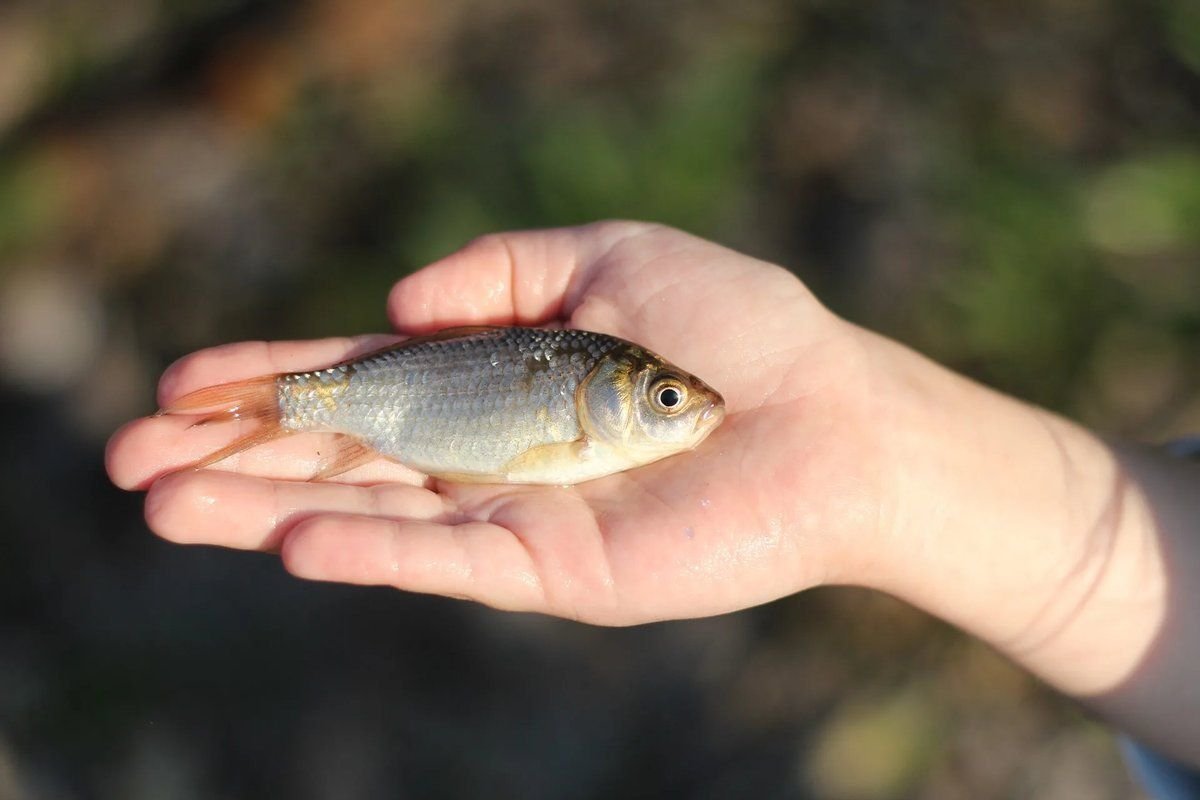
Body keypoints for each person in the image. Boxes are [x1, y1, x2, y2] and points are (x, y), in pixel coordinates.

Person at [106, 221, 1200, 777]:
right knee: (295, 413)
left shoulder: (596, 404)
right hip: (396, 404)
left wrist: (874, 459)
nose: (687, 408)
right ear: (614, 389)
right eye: (667, 397)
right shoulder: (573, 399)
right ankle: (271, 408)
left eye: (667, 394)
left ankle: (272, 408)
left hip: (406, 411)